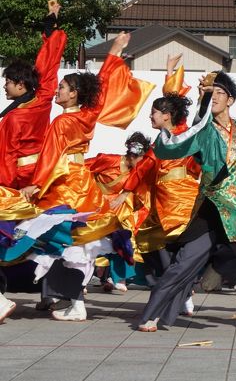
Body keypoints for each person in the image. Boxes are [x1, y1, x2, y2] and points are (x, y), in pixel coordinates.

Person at [137, 70, 236, 332]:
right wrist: (168, 127)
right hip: (212, 208)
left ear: (230, 99)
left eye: (220, 92)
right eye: (210, 93)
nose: (215, 97)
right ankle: (153, 315)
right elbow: (173, 146)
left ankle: (215, 269)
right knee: (182, 264)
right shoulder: (204, 131)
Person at [19, 32, 155, 321]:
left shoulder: (62, 121)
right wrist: (115, 51)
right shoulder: (87, 115)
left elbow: (50, 157)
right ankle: (65, 299)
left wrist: (35, 183)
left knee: (49, 238)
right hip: (83, 184)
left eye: (63, 87)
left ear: (74, 94)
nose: (57, 91)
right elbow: (103, 86)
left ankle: (68, 300)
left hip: (64, 183)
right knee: (74, 243)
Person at [111, 55, 200, 300]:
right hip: (162, 198)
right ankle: (174, 288)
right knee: (149, 237)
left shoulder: (182, 132)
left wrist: (128, 191)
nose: (150, 117)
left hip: (181, 196)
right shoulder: (160, 141)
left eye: (154, 113)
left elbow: (176, 102)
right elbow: (144, 168)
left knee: (179, 242)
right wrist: (169, 70)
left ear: (167, 116)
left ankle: (183, 288)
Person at [0, 0, 67, 323]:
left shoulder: (13, 119)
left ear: (21, 85)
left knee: (13, 235)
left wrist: (11, 185)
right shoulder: (40, 102)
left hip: (16, 181)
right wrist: (51, 25)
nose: (4, 85)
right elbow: (49, 66)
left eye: (8, 82)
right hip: (39, 176)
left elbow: (6, 157)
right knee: (39, 234)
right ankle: (48, 292)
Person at [87, 131, 151, 293]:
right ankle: (82, 281)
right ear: (131, 155)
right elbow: (83, 169)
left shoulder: (137, 173)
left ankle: (118, 277)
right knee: (90, 242)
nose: (141, 163)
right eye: (139, 159)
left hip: (120, 210)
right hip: (98, 205)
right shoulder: (108, 160)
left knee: (125, 236)